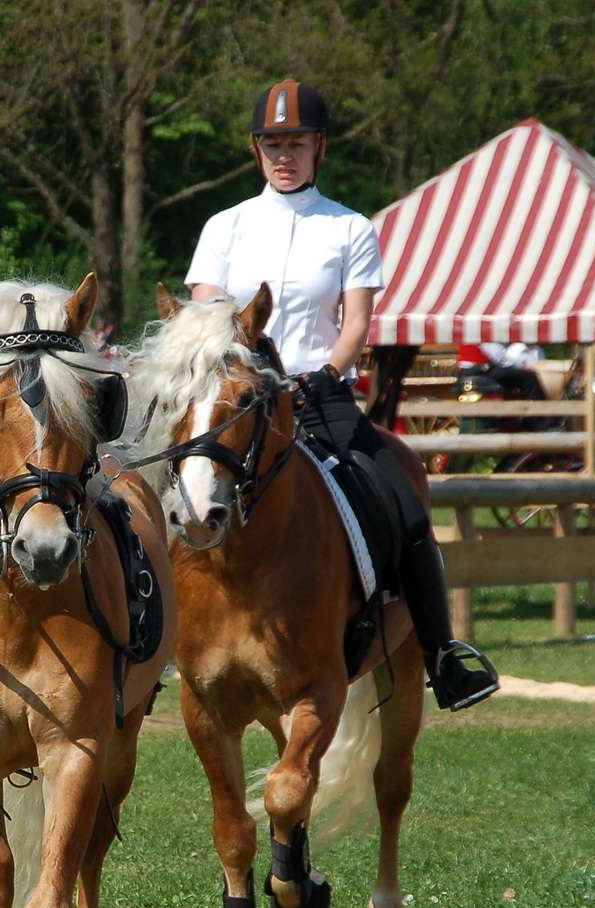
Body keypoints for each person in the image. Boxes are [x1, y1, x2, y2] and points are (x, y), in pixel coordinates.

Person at [184, 78, 499, 711]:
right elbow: (204, 313)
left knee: (406, 508)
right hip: (239, 398)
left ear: (319, 147)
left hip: (320, 396)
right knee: (170, 492)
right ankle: (160, 635)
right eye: (272, 143)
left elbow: (356, 321)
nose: (284, 154)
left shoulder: (350, 228)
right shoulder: (225, 227)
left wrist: (329, 372)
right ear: (256, 150)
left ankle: (442, 656)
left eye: (296, 143)